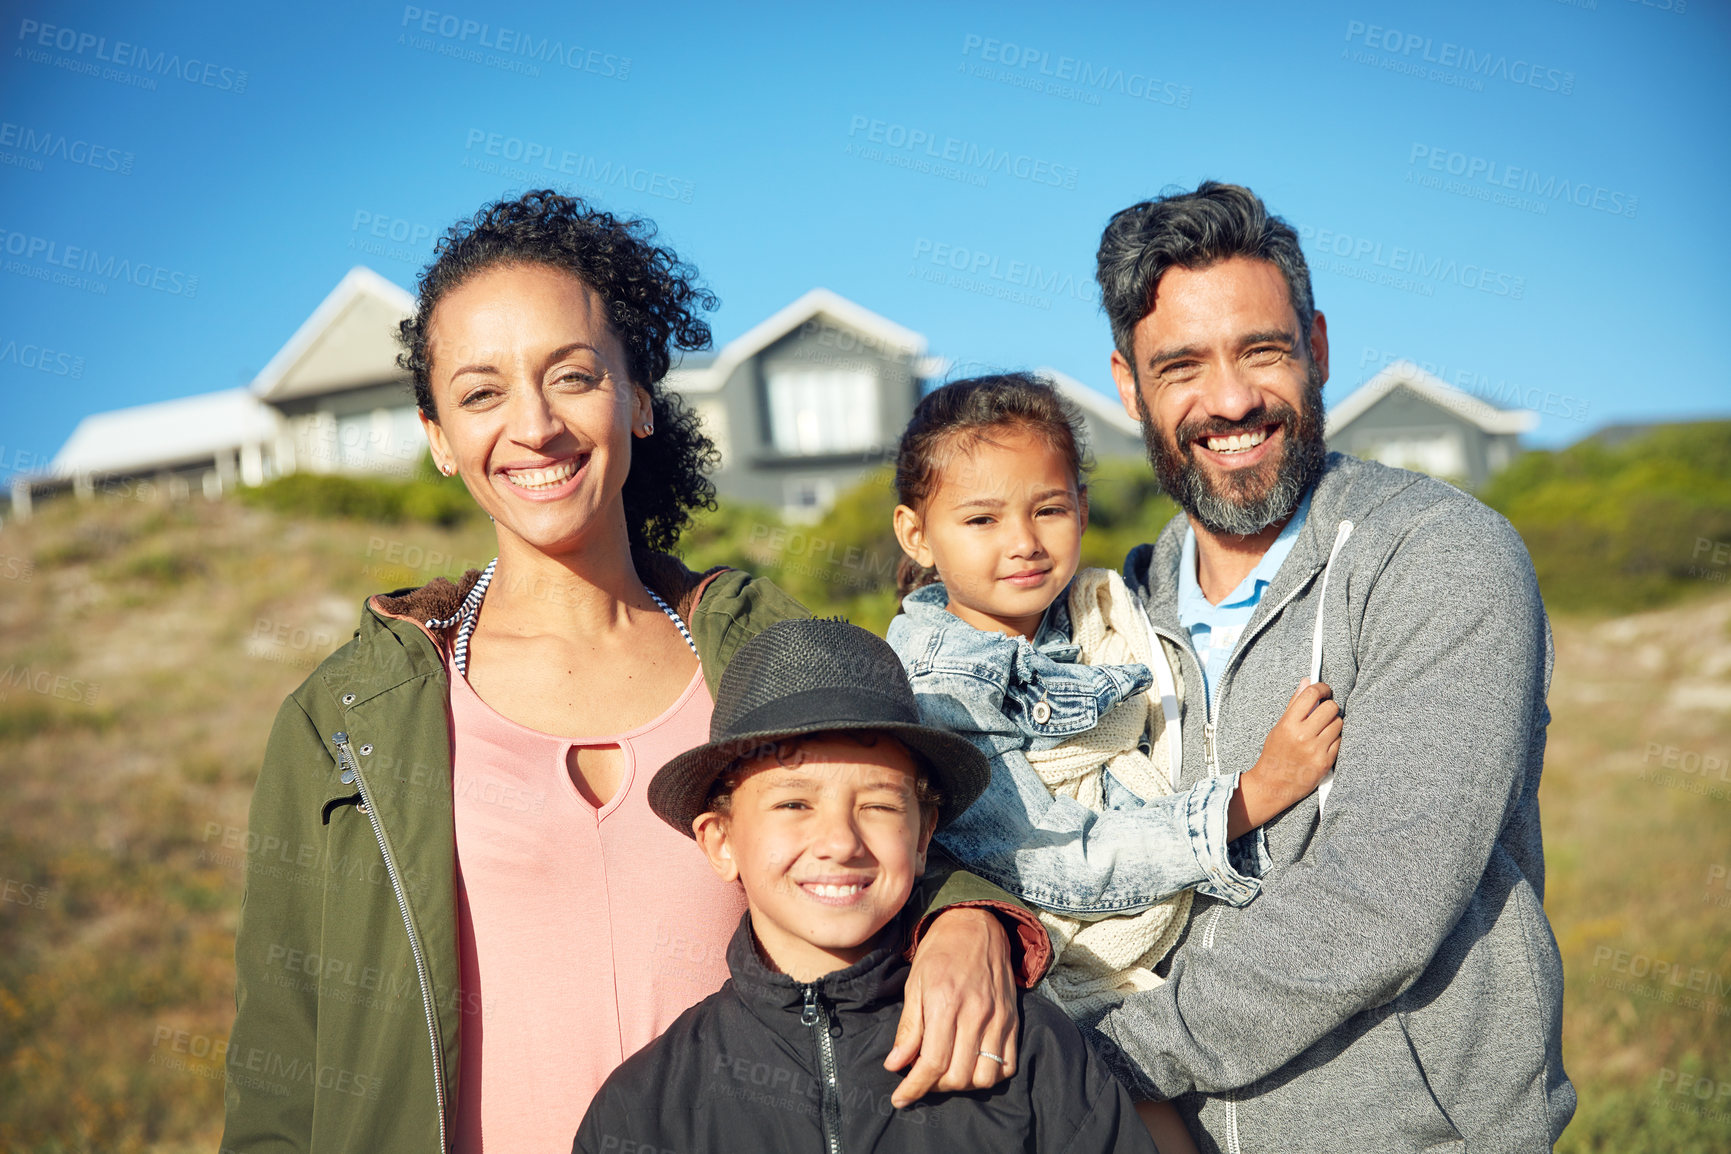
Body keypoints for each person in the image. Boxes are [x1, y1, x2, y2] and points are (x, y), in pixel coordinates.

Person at [220, 190, 1050, 1153]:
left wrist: (968, 920)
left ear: (640, 399)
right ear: (439, 438)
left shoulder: (762, 651)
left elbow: (899, 830)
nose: (533, 426)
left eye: (572, 377)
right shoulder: (350, 717)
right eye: (482, 393)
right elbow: (279, 1062)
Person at [1077, 181, 1573, 1152]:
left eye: (1261, 349)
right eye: (1181, 364)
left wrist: (1100, 1059)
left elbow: (1379, 897)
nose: (1230, 401)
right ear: (1129, 385)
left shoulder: (1438, 556)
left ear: (1319, 348)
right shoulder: (1113, 616)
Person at [882, 373, 1340, 1151]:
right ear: (916, 534)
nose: (1023, 541)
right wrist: (1253, 796)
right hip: (1046, 982)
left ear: (1082, 510)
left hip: (1145, 974)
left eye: (1048, 509)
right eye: (981, 518)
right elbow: (1049, 858)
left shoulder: (1103, 617)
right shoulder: (939, 688)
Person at [576, 617, 1159, 1153]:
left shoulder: (1026, 1049)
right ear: (720, 841)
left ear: (924, 834)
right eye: (794, 803)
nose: (842, 842)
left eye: (879, 805)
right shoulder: (647, 1106)